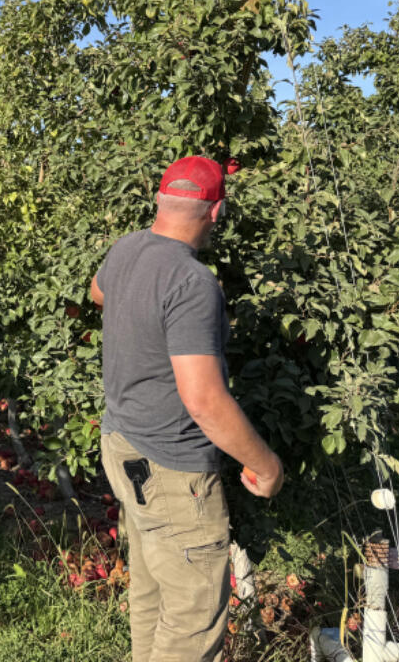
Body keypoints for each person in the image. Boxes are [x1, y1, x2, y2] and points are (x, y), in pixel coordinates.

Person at [89, 155, 283, 662]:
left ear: (160, 199)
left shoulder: (127, 248)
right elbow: (204, 401)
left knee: (153, 588)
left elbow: (97, 293)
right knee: (194, 610)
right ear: (215, 211)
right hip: (171, 466)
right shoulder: (192, 283)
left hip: (122, 443)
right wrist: (265, 465)